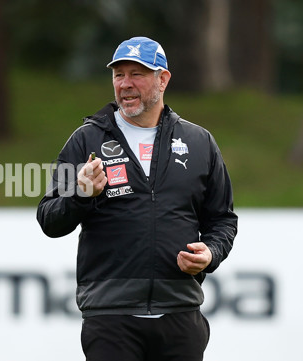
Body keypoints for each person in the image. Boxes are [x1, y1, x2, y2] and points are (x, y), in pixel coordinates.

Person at [37, 36, 237, 361]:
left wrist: (211, 253)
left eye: (137, 74)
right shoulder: (86, 139)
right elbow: (49, 219)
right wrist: (81, 195)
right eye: (119, 75)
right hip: (110, 316)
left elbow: (222, 220)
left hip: (180, 314)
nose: (125, 84)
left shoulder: (199, 142)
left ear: (163, 79)